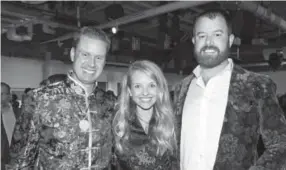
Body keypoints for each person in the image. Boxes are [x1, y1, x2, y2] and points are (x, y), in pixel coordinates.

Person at [174, 9, 286, 170]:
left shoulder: (257, 85)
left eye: (217, 34)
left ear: (230, 40)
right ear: (194, 40)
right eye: (202, 35)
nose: (208, 42)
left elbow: (281, 145)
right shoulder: (180, 89)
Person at [7, 26, 117, 170]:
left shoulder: (110, 103)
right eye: (85, 54)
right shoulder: (40, 99)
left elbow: (115, 158)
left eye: (98, 57)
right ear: (72, 54)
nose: (91, 63)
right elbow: (19, 163)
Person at [113, 60, 178, 170]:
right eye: (138, 86)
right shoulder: (117, 125)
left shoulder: (171, 125)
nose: (145, 92)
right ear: (129, 91)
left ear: (159, 89)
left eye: (151, 85)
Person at [1, 82, 18, 170]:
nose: (0, 97)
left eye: (2, 94)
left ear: (9, 95)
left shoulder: (16, 112)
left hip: (13, 157)